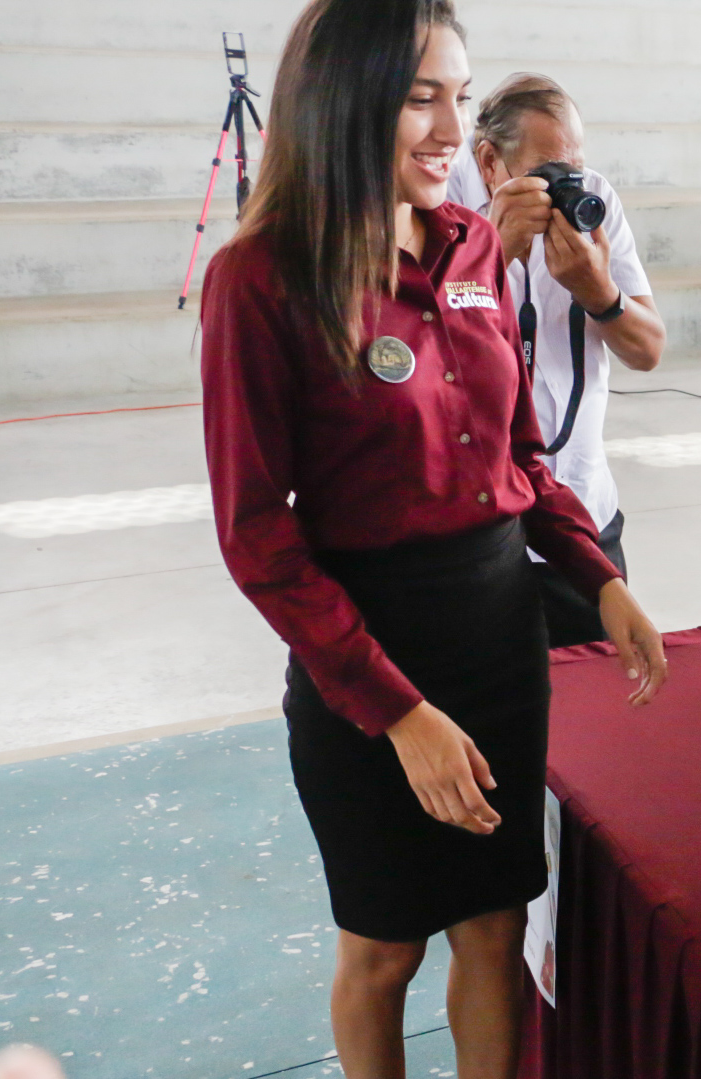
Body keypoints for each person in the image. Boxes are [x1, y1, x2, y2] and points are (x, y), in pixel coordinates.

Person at [197, 3, 667, 1076]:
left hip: (498, 636)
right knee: (383, 945)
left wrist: (599, 580)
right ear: (342, 97)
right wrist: (399, 716)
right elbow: (257, 537)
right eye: (422, 96)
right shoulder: (261, 278)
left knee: (495, 927)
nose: (453, 127)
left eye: (460, 94)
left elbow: (521, 458)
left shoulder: (469, 246)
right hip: (365, 655)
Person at [447, 71, 666, 647]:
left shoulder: (594, 199)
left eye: (574, 169)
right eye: (550, 176)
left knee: (594, 708)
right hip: (480, 527)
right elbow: (431, 364)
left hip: (581, 508)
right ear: (490, 163)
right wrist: (488, 259)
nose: (569, 188)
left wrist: (600, 293)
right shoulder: (439, 206)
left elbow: (648, 350)